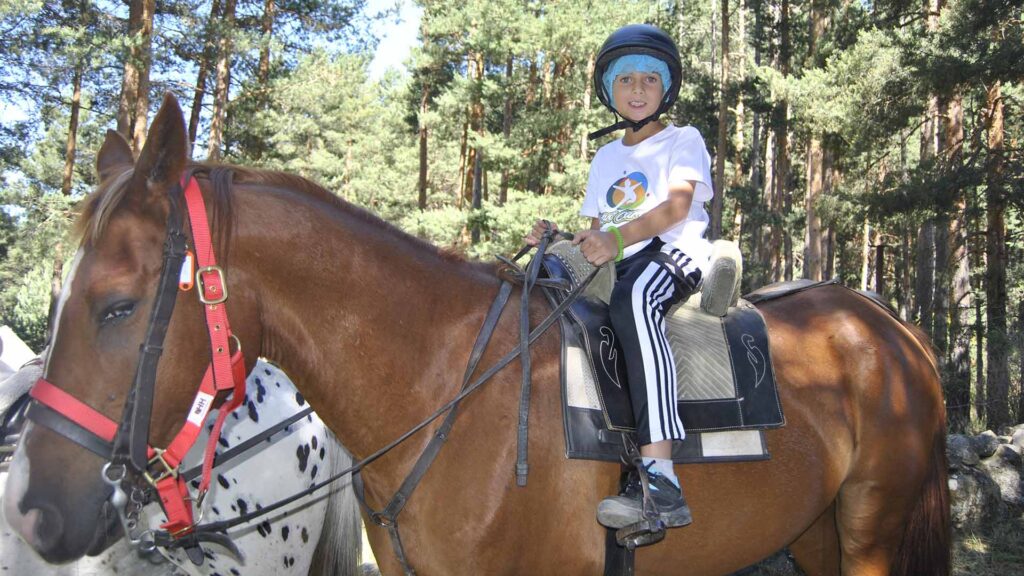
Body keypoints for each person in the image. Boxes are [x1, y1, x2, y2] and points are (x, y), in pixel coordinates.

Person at [525, 23, 713, 530]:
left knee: (634, 301)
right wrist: (561, 238)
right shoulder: (606, 156)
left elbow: (676, 206)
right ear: (610, 91)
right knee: (547, 287)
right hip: (620, 255)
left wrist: (615, 241)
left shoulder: (684, 139)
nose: (636, 89)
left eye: (648, 80)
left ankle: (661, 477)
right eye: (625, 80)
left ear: (665, 88)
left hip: (674, 251)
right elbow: (598, 231)